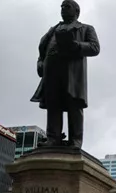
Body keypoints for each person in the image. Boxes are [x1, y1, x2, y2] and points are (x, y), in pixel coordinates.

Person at [30, 0, 100, 148]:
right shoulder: (53, 30)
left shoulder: (86, 28)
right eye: (61, 7)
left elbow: (94, 48)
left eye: (67, 7)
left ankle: (75, 140)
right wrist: (40, 62)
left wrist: (76, 45)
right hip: (51, 72)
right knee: (53, 104)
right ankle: (53, 138)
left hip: (72, 74)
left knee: (74, 105)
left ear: (76, 11)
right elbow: (43, 51)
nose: (63, 9)